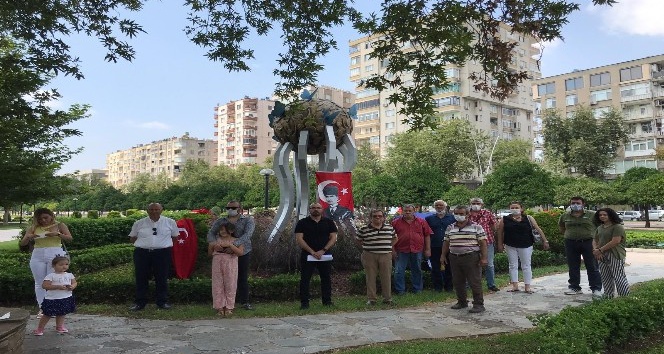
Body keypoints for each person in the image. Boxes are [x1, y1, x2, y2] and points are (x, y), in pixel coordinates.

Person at [19, 207, 72, 318]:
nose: (43, 220)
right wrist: (28, 237)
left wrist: (57, 234)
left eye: (45, 217)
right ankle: (43, 308)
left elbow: (69, 238)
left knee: (53, 280)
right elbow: (23, 243)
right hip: (38, 254)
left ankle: (55, 307)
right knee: (39, 282)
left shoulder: (59, 225)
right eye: (40, 219)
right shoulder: (34, 227)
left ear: (51, 216)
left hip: (55, 253)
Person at [129, 203, 179, 311]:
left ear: (161, 210)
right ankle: (140, 302)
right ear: (147, 211)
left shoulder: (170, 222)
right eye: (151, 209)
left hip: (162, 254)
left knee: (162, 277)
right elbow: (132, 238)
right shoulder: (139, 223)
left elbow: (175, 237)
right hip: (142, 253)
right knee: (141, 278)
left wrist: (161, 245)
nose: (154, 211)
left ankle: (162, 302)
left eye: (156, 209)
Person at [207, 200, 256, 310]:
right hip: (223, 255)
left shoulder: (248, 220)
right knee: (223, 279)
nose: (231, 210)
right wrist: (215, 244)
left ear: (240, 208)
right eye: (228, 208)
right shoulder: (221, 221)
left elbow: (248, 235)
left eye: (233, 208)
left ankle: (244, 302)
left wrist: (232, 245)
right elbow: (211, 233)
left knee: (242, 277)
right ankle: (222, 303)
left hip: (242, 251)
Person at [441, 205, 488, 313]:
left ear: (468, 214)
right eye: (456, 214)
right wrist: (443, 255)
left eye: (462, 214)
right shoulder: (450, 227)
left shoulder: (476, 227)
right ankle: (462, 302)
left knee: (474, 281)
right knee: (458, 281)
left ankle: (478, 304)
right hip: (454, 257)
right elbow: (446, 242)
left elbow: (483, 243)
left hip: (471, 257)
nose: (459, 216)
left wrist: (484, 258)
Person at [496, 201, 549, 293]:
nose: (514, 209)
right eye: (512, 208)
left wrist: (545, 240)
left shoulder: (528, 218)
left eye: (516, 207)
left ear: (521, 208)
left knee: (526, 265)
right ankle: (515, 286)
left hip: (526, 245)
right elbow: (500, 232)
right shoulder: (504, 219)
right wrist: (500, 244)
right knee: (513, 265)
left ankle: (527, 286)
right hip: (510, 244)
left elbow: (537, 228)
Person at [295, 202, 338, 309]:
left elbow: (333, 237)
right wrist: (312, 252)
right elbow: (299, 238)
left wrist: (323, 250)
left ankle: (327, 301)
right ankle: (304, 303)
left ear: (322, 209)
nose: (316, 209)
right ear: (309, 210)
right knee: (305, 279)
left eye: (318, 208)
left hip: (325, 254)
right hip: (308, 255)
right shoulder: (302, 222)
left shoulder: (329, 222)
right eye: (313, 208)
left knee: (326, 278)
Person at [558, 196, 602, 297]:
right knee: (573, 266)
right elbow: (561, 226)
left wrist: (598, 242)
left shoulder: (592, 215)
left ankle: (596, 288)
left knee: (592, 266)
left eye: (578, 203)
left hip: (589, 242)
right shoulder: (565, 216)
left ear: (583, 204)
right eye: (573, 203)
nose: (575, 205)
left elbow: (600, 227)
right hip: (571, 242)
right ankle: (574, 287)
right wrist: (568, 234)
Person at [355, 209, 397, 305]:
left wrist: (388, 246)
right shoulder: (364, 229)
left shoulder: (389, 228)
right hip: (369, 255)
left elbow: (395, 238)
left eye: (379, 216)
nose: (377, 217)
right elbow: (358, 240)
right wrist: (367, 247)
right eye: (375, 216)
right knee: (370, 277)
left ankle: (387, 299)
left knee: (386, 277)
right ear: (370, 218)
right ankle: (372, 299)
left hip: (385, 255)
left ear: (383, 217)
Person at [391, 204, 432, 295]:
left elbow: (427, 235)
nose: (408, 212)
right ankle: (400, 290)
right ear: (402, 211)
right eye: (406, 210)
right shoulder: (395, 222)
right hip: (401, 250)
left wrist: (428, 249)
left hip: (417, 249)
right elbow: (391, 237)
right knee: (399, 271)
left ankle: (417, 289)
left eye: (410, 211)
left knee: (417, 269)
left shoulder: (422, 221)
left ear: (414, 211)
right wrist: (392, 250)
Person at [33, 256, 77, 336]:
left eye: (66, 264)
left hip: (65, 297)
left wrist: (72, 287)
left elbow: (74, 282)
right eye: (61, 265)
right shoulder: (51, 276)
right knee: (47, 314)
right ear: (54, 266)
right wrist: (57, 287)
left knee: (62, 313)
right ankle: (40, 328)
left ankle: (59, 326)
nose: (64, 266)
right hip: (53, 299)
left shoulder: (69, 275)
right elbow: (45, 286)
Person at [593, 208, 629, 298]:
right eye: (600, 215)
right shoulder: (600, 228)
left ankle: (625, 297)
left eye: (605, 215)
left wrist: (600, 250)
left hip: (615, 254)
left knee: (618, 276)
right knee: (605, 276)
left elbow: (615, 241)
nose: (602, 216)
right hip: (601, 255)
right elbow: (595, 239)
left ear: (610, 215)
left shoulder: (617, 227)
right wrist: (596, 250)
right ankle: (608, 296)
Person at [209, 223, 244, 316]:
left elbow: (240, 253)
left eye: (225, 230)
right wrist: (214, 247)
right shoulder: (215, 240)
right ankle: (219, 307)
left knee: (231, 284)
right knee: (217, 284)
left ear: (231, 231)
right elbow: (209, 252)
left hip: (231, 263)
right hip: (217, 262)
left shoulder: (237, 240)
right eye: (221, 230)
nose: (223, 232)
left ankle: (229, 307)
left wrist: (231, 246)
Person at [468, 197, 500, 292]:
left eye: (478, 203)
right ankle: (470, 284)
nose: (476, 205)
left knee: (489, 264)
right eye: (474, 203)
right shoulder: (467, 213)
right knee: (471, 264)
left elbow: (494, 227)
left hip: (487, 242)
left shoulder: (488, 213)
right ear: (470, 204)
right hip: (471, 242)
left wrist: (497, 241)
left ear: (482, 205)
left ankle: (491, 284)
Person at [425, 200, 456, 292]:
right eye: (437, 205)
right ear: (434, 207)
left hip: (449, 246)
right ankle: (437, 287)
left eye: (441, 205)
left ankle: (449, 287)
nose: (439, 207)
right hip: (434, 246)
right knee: (435, 268)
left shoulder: (452, 218)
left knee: (449, 267)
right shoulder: (429, 219)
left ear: (445, 207)